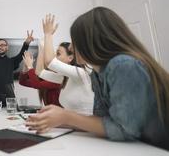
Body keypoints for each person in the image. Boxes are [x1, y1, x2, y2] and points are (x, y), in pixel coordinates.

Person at [26, 8, 169, 150]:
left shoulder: (122, 65)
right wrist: (55, 120)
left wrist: (65, 117)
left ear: (93, 40)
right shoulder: (97, 73)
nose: (70, 46)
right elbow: (103, 121)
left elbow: (124, 130)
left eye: (74, 40)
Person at [42, 14, 94, 115]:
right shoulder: (66, 77)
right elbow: (40, 72)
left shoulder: (80, 72)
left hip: (83, 127)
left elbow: (49, 62)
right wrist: (42, 45)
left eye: (58, 53)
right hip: (74, 125)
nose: (70, 47)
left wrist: (48, 34)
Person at [0, 31, 34, 106]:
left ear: (7, 47)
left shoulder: (11, 62)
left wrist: (26, 43)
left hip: (9, 96)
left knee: (12, 115)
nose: (0, 47)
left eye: (2, 45)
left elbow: (21, 54)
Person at [19, 41, 73, 106]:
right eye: (55, 53)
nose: (54, 57)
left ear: (70, 58)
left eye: (58, 54)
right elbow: (23, 82)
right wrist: (26, 67)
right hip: (52, 114)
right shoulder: (50, 75)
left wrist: (30, 66)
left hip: (59, 115)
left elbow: (36, 84)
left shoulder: (62, 78)